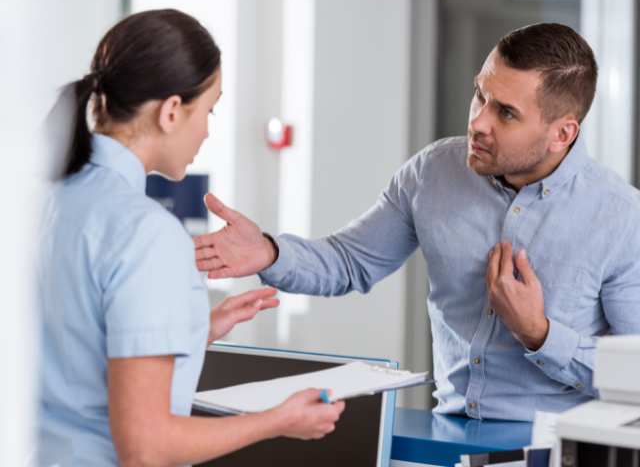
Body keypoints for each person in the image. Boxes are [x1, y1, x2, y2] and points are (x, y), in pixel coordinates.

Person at [194, 23, 640, 422]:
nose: (478, 122)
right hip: (445, 438)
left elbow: (635, 378)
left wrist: (538, 334)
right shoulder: (434, 171)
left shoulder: (621, 218)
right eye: (480, 94)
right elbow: (350, 261)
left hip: (559, 449)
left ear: (562, 134)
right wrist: (269, 252)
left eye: (505, 113)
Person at [37, 9, 344, 467]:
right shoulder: (146, 233)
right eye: (210, 109)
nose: (207, 129)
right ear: (172, 111)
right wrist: (277, 421)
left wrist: (194, 327)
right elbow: (146, 448)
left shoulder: (45, 200)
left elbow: (72, 349)